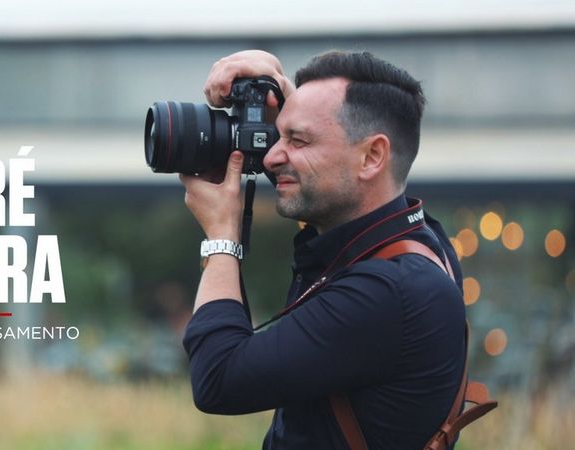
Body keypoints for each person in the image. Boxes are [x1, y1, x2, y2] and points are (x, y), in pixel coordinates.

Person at [179, 50, 467, 449]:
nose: (273, 155)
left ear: (372, 156)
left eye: (298, 140)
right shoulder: (419, 246)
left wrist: (221, 235)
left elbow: (218, 379)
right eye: (280, 136)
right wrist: (281, 96)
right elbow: (344, 186)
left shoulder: (385, 293)